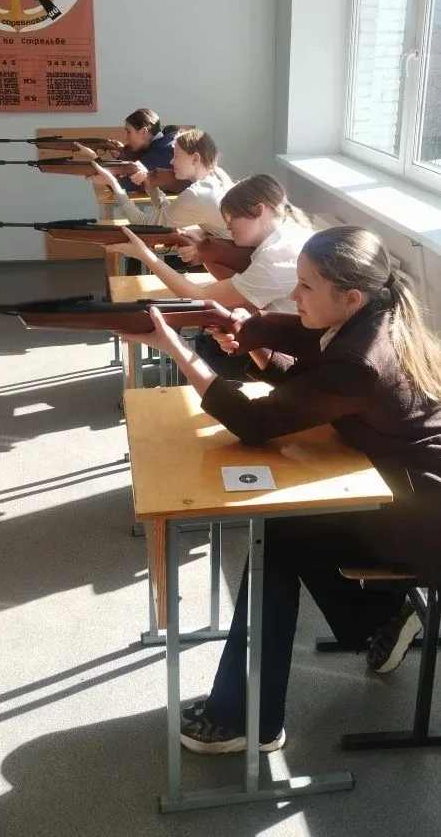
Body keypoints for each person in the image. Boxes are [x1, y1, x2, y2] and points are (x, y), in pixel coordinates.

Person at [114, 225, 441, 753]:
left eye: (306, 285)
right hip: (405, 484)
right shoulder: (373, 319)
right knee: (286, 533)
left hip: (422, 515)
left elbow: (256, 421)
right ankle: (376, 618)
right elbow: (309, 391)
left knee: (280, 540)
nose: (295, 294)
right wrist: (255, 344)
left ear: (349, 297)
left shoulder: (360, 356)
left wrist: (172, 345)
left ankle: (247, 717)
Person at [111, 174, 313, 311]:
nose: (228, 225)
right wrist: (203, 252)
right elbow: (235, 284)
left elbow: (200, 295)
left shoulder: (274, 259)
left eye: (233, 218)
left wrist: (146, 256)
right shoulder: (292, 231)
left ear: (259, 210)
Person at [78, 128, 233, 277]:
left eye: (176, 156)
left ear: (195, 158)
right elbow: (169, 214)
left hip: (233, 266)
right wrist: (149, 183)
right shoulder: (217, 174)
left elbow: (144, 225)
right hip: (231, 255)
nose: (171, 161)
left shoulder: (197, 195)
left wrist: (113, 184)